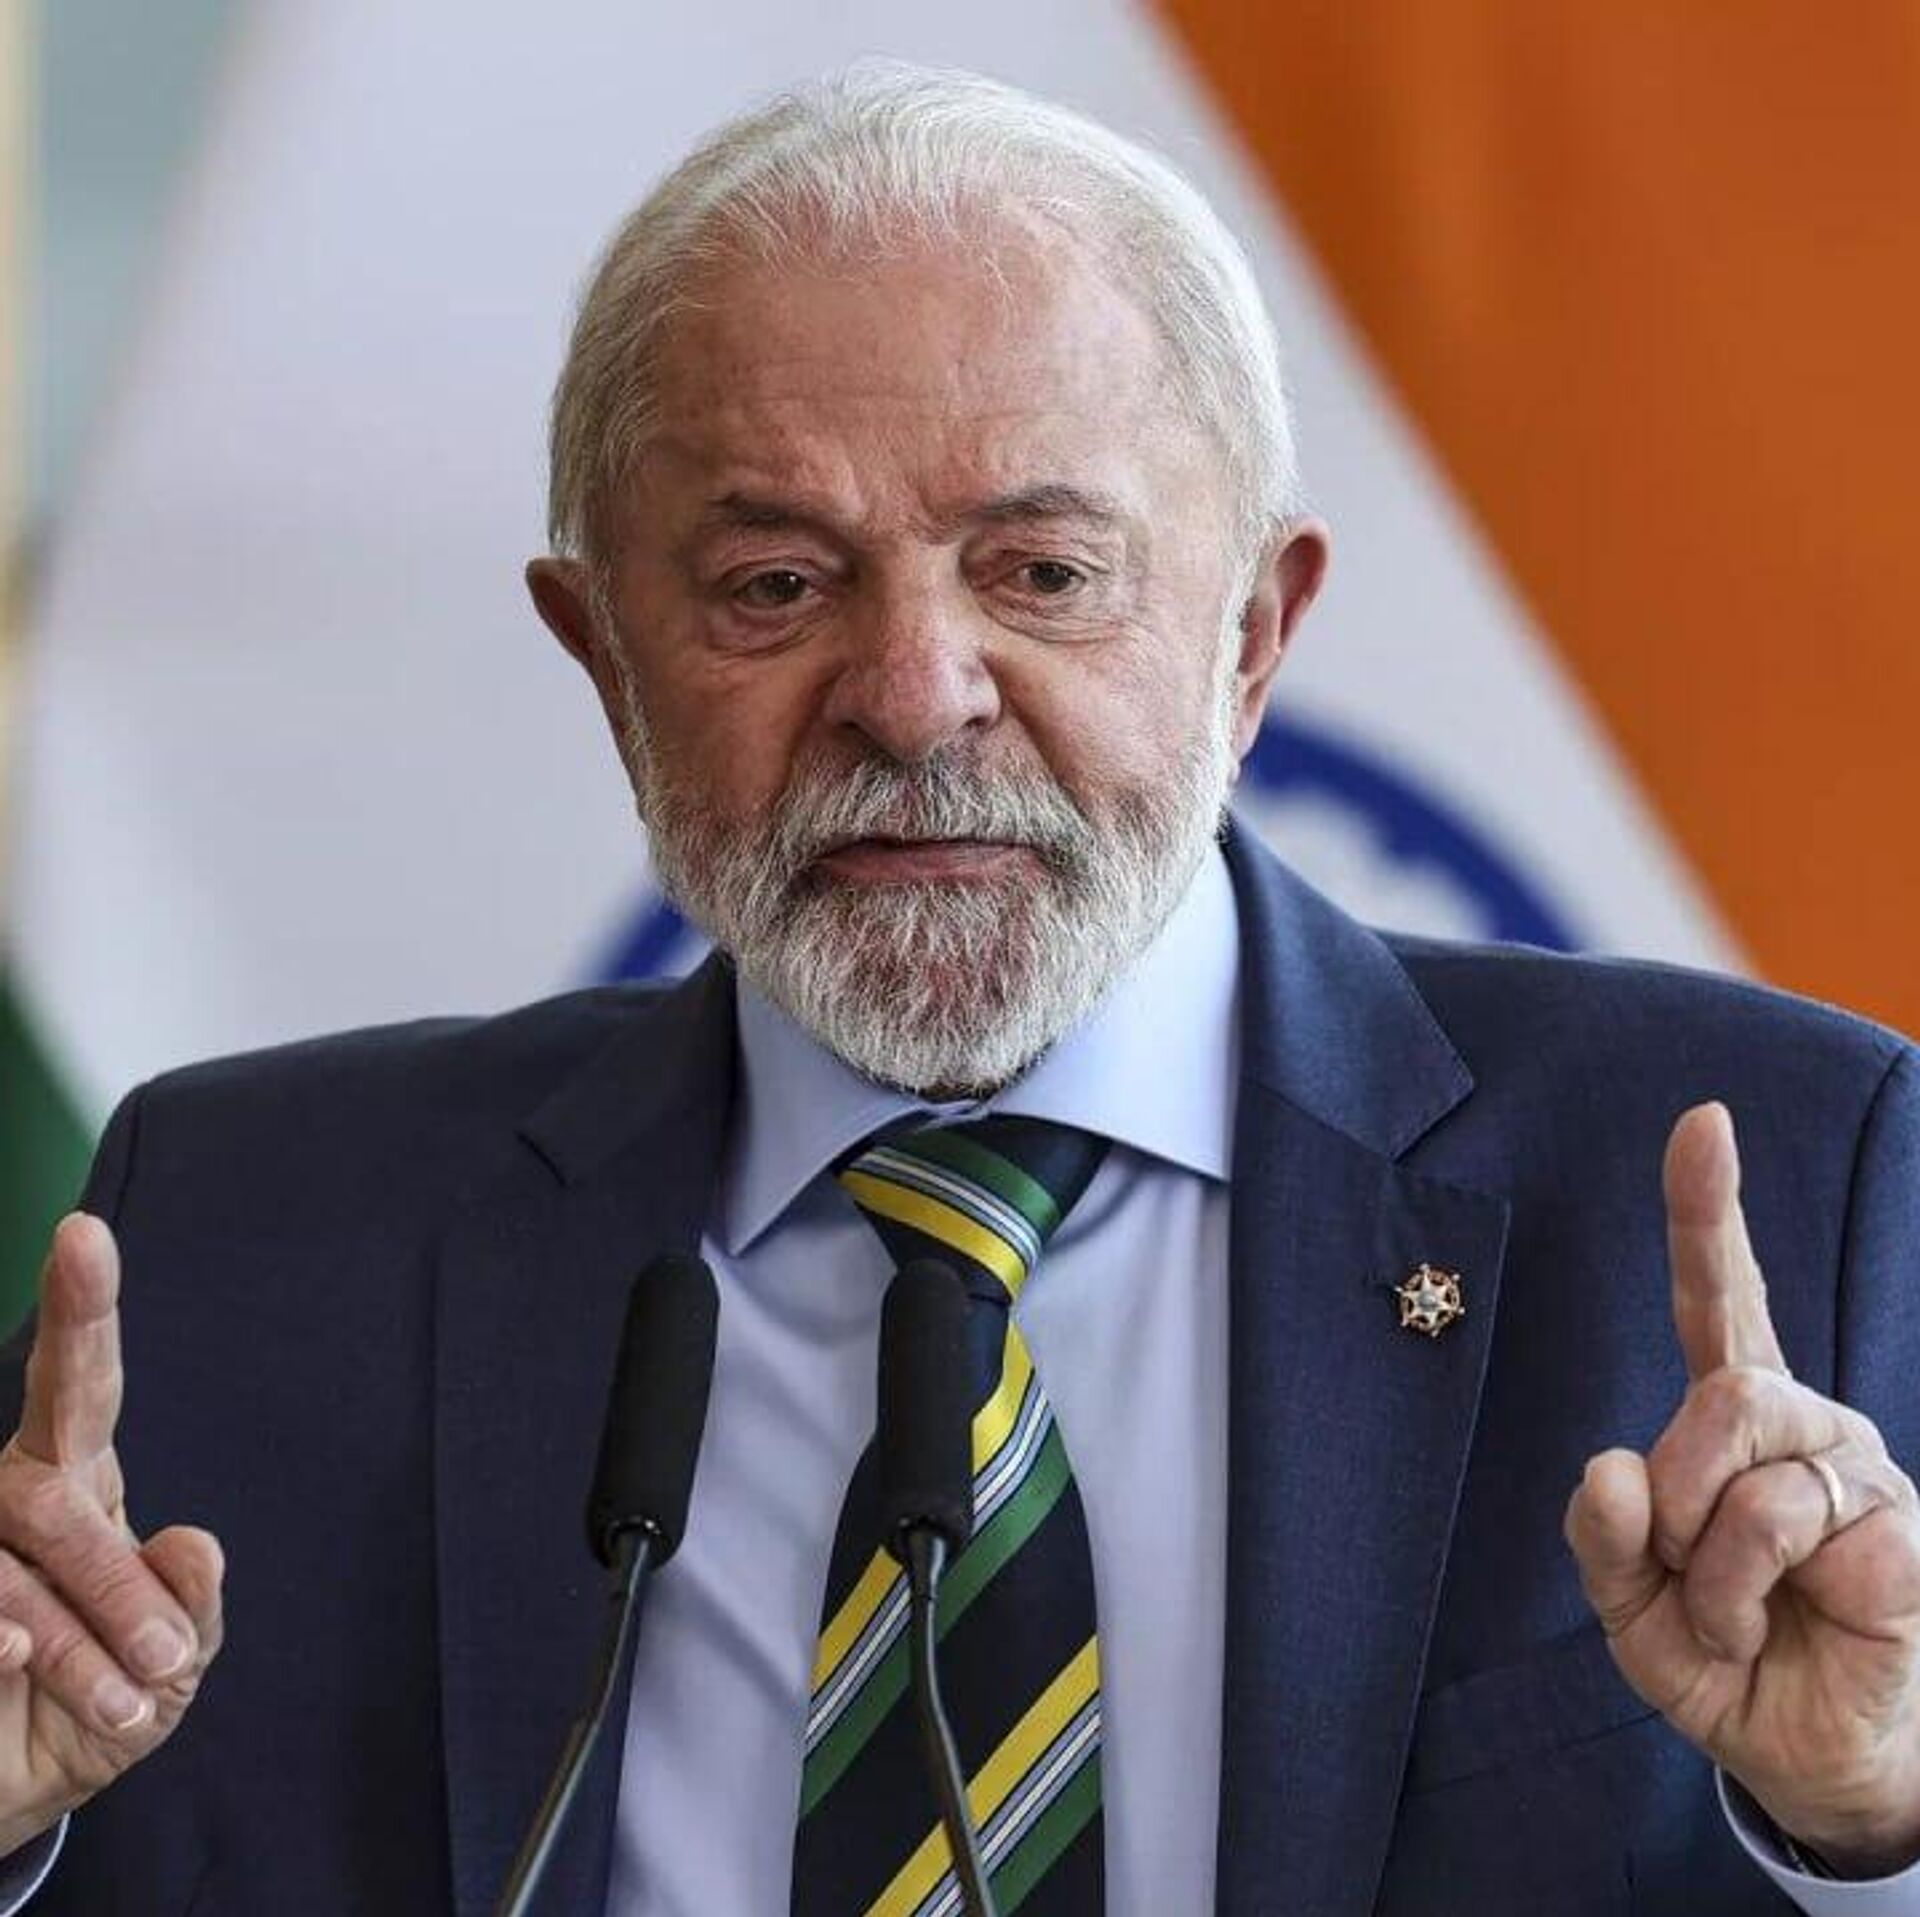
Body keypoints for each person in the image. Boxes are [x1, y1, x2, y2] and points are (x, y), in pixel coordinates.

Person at [0, 62, 1914, 1916]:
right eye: (774, 584)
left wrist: (1872, 1819)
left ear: (1255, 636)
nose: (916, 697)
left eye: (1045, 572)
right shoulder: (245, 1239)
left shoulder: (1791, 1186)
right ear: (603, 658)